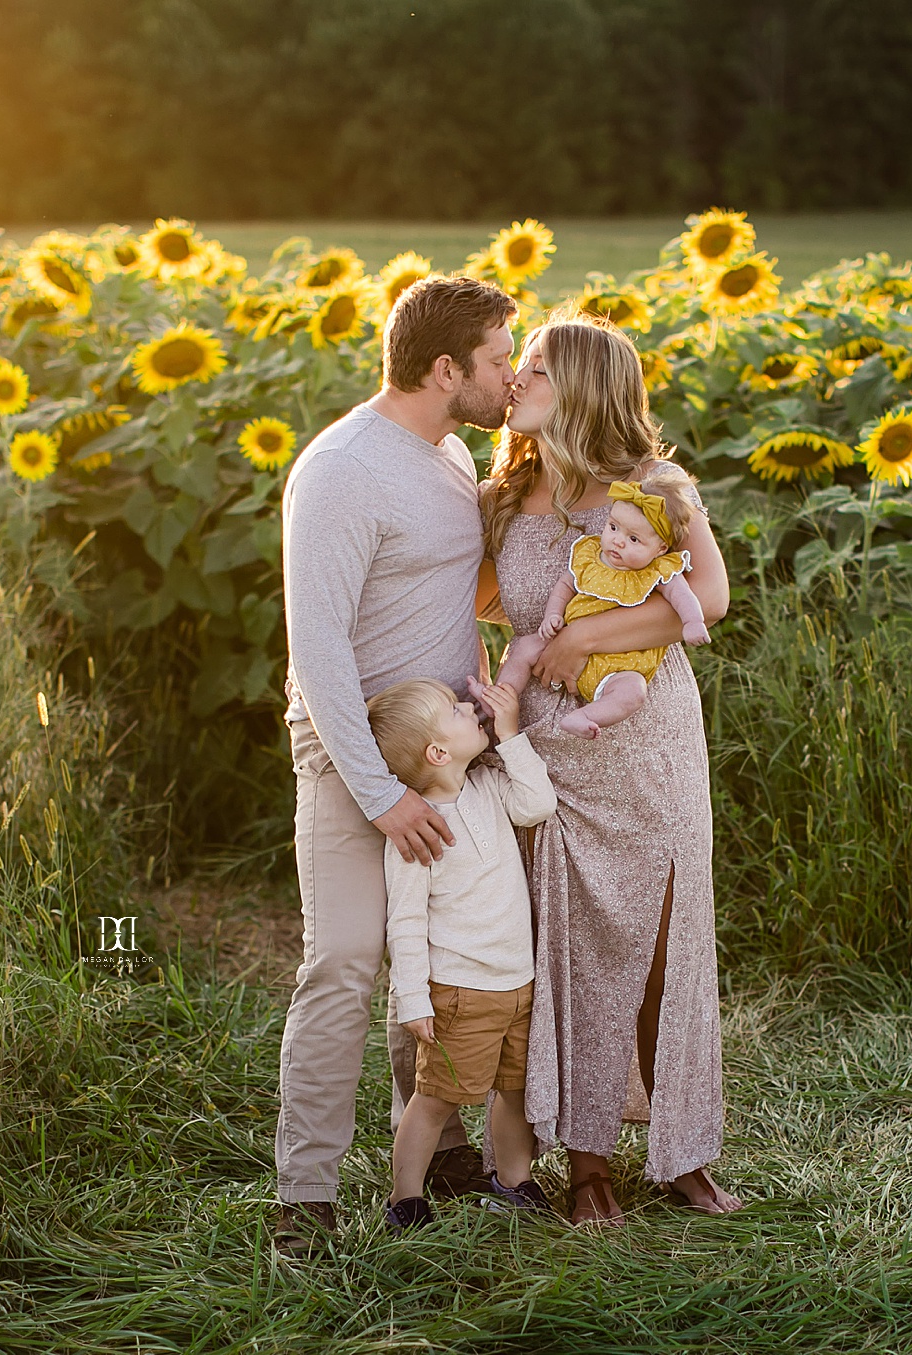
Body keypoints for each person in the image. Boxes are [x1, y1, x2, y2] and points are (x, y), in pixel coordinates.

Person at [478, 313, 744, 1224]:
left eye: (538, 369)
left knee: (667, 949)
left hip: (645, 734)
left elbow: (706, 597)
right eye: (517, 366)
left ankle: (681, 1148)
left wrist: (586, 632)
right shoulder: (507, 497)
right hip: (550, 753)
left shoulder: (655, 484)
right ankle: (587, 1162)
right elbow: (459, 597)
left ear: (587, 386)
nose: (516, 379)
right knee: (578, 954)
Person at [274, 276, 519, 1252]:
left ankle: (440, 1144)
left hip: (447, 753)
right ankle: (303, 1200)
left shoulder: (451, 451)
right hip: (353, 756)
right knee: (343, 958)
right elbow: (319, 645)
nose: (509, 375)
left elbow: (462, 591)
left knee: (446, 950)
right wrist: (377, 794)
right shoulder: (340, 469)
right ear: (445, 367)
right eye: (499, 359)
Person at [369, 677, 557, 1230]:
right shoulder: (417, 831)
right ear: (437, 752)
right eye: (455, 710)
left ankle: (513, 1180)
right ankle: (406, 1197)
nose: (469, 707)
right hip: (458, 991)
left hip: (518, 981)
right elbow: (404, 923)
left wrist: (511, 733)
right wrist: (413, 999)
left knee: (515, 1089)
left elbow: (538, 804)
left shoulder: (489, 786)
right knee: (436, 1097)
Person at [493, 466, 711, 738]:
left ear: (661, 549)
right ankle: (500, 697)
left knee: (633, 691)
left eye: (633, 539)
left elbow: (683, 597)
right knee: (525, 647)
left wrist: (692, 621)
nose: (618, 542)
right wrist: (553, 615)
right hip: (560, 643)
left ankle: (585, 716)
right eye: (613, 527)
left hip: (621, 665)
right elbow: (565, 585)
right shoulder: (591, 556)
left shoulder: (658, 571)